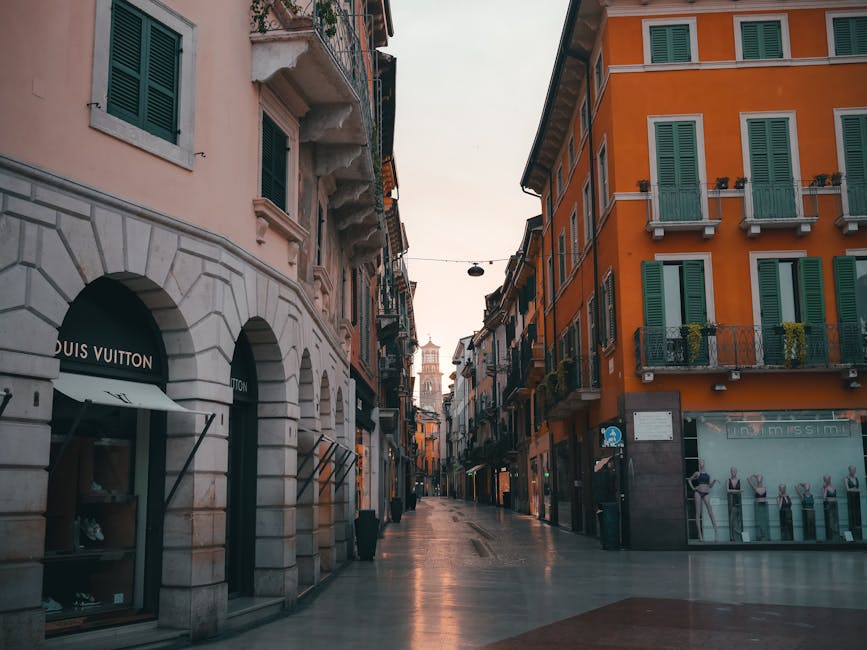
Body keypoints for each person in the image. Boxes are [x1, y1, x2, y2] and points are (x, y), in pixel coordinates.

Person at [687, 459, 718, 541]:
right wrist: (693, 488)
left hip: (706, 493)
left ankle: (716, 532)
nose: (701, 463)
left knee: (710, 512)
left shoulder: (707, 475)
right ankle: (700, 535)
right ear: (699, 464)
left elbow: (710, 486)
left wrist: (714, 481)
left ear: (704, 463)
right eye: (700, 462)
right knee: (698, 513)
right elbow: (689, 480)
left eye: (702, 462)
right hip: (698, 492)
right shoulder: (697, 473)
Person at [748, 473, 769, 541]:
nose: (759, 479)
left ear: (762, 479)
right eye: (758, 478)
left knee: (764, 521)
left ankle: (764, 535)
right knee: (759, 522)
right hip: (758, 506)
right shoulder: (755, 488)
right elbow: (748, 479)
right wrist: (753, 475)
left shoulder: (765, 488)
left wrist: (755, 476)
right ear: (756, 479)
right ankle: (761, 535)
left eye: (760, 478)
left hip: (764, 506)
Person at [844, 465, 862, 540]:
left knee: (858, 515)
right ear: (849, 470)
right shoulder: (846, 479)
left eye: (854, 470)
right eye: (851, 470)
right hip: (851, 499)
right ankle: (852, 535)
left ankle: (858, 535)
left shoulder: (856, 478)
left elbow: (859, 489)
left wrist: (855, 489)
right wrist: (854, 489)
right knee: (852, 515)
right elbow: (847, 489)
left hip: (857, 499)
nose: (853, 471)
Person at [726, 467, 743, 542]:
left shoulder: (739, 480)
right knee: (731, 518)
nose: (733, 472)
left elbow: (740, 490)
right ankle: (731, 536)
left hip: (738, 500)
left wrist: (735, 491)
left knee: (738, 517)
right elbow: (728, 490)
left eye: (734, 471)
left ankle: (738, 536)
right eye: (732, 471)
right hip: (731, 500)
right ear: (730, 472)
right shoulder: (728, 480)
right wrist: (738, 491)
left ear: (736, 472)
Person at [822, 474, 839, 541]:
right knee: (830, 519)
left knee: (835, 520)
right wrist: (825, 489)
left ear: (830, 479)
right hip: (829, 505)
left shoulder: (834, 487)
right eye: (825, 479)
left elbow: (835, 496)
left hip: (834, 504)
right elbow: (824, 497)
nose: (827, 480)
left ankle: (836, 535)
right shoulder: (824, 488)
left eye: (828, 479)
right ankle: (831, 535)